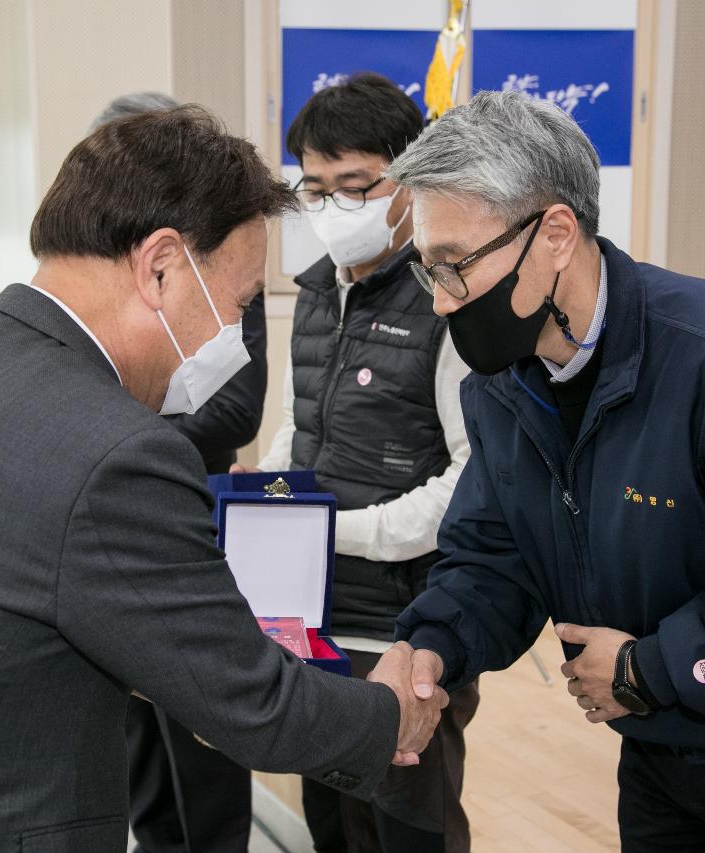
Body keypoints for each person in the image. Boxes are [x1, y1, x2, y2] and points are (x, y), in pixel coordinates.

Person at [0, 106, 448, 853]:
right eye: (239, 305)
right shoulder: (116, 452)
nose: (232, 341)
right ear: (160, 266)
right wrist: (386, 711)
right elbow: (253, 705)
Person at [387, 90, 705, 852]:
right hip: (656, 744)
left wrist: (646, 668)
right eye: (426, 269)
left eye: (453, 266)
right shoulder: (502, 386)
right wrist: (428, 644)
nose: (440, 301)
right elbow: (493, 558)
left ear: (555, 233)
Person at [236, 72, 478, 853]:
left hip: (409, 623)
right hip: (310, 614)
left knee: (407, 820)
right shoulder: (315, 292)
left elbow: (473, 482)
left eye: (356, 185)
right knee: (332, 819)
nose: (334, 207)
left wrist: (337, 530)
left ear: (409, 178)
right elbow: (294, 428)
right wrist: (265, 503)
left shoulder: (450, 300)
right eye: (314, 188)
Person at [92, 91, 264, 853]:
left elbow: (239, 406)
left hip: (190, 516)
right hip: (112, 528)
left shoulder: (214, 259)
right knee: (139, 740)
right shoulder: (95, 274)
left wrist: (138, 443)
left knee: (205, 736)